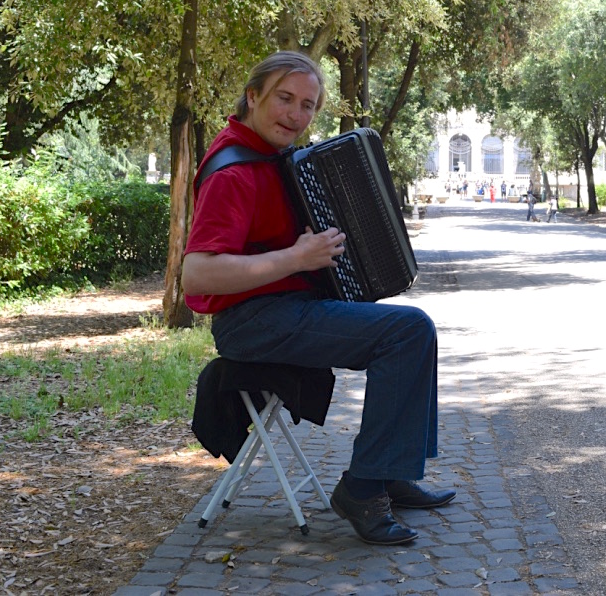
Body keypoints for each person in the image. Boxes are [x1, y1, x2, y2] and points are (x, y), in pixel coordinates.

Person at [182, 51, 453, 546]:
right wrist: (296, 258)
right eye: (285, 99)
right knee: (408, 331)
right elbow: (196, 275)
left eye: (308, 106)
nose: (296, 115)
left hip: (284, 308)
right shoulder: (232, 171)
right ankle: (363, 488)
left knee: (413, 331)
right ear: (253, 96)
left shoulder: (271, 160)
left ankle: (388, 470)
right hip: (252, 322)